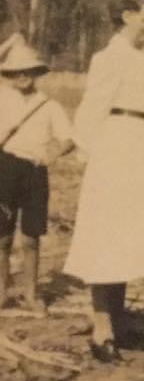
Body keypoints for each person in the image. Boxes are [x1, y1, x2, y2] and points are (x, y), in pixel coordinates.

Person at [63, 0, 144, 363]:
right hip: (116, 153)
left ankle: (119, 320)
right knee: (105, 239)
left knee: (127, 241)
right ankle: (102, 328)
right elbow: (94, 104)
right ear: (127, 16)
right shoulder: (108, 58)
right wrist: (80, 148)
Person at [0, 44, 74, 312]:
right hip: (5, 168)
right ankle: (2, 292)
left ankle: (31, 294)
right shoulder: (2, 98)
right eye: (16, 71)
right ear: (9, 74)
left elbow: (69, 138)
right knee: (2, 237)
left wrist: (53, 154)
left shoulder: (49, 105)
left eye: (28, 71)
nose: (22, 76)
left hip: (34, 172)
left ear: (36, 73)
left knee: (31, 237)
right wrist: (9, 44)